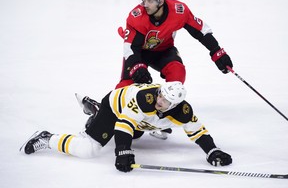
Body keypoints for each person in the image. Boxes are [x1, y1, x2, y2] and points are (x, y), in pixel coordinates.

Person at [20, 82, 232, 173]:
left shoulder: (183, 112)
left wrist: (213, 150)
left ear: (174, 106)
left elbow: (198, 131)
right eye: (160, 94)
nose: (159, 100)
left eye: (165, 101)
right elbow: (124, 125)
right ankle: (46, 137)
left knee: (139, 136)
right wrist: (123, 151)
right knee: (89, 150)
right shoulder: (145, 99)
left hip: (141, 120)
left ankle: (94, 110)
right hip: (116, 107)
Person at [115, 0, 233, 139]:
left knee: (177, 73)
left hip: (163, 51)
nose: (145, 4)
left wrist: (217, 51)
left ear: (161, 1)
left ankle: (162, 114)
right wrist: (138, 66)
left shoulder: (179, 10)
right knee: (125, 87)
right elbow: (130, 48)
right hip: (139, 52)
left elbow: (201, 30)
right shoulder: (136, 16)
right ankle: (112, 114)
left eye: (149, 0)